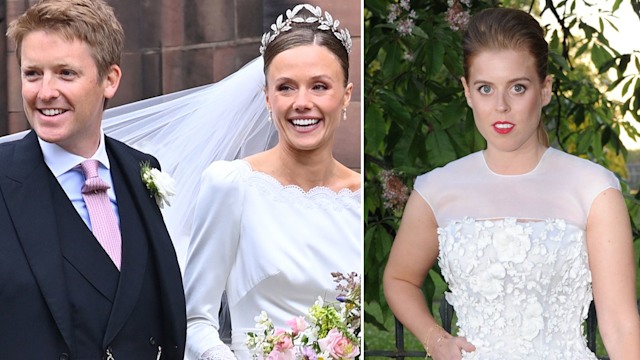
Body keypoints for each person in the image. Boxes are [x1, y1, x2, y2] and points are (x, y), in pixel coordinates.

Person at [383, 7, 640, 360]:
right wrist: (436, 340)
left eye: (517, 87)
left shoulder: (594, 189)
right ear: (467, 92)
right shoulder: (437, 189)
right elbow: (398, 280)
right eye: (485, 88)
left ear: (545, 89)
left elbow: (621, 325)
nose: (501, 106)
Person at [0, 0, 186, 358]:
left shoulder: (141, 169)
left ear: (110, 80)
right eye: (32, 74)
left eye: (65, 73)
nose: (45, 92)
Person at [181, 3, 361, 360]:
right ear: (267, 98)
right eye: (286, 88)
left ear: (346, 96)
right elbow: (195, 319)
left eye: (320, 86)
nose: (302, 103)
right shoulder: (231, 185)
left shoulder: (360, 200)